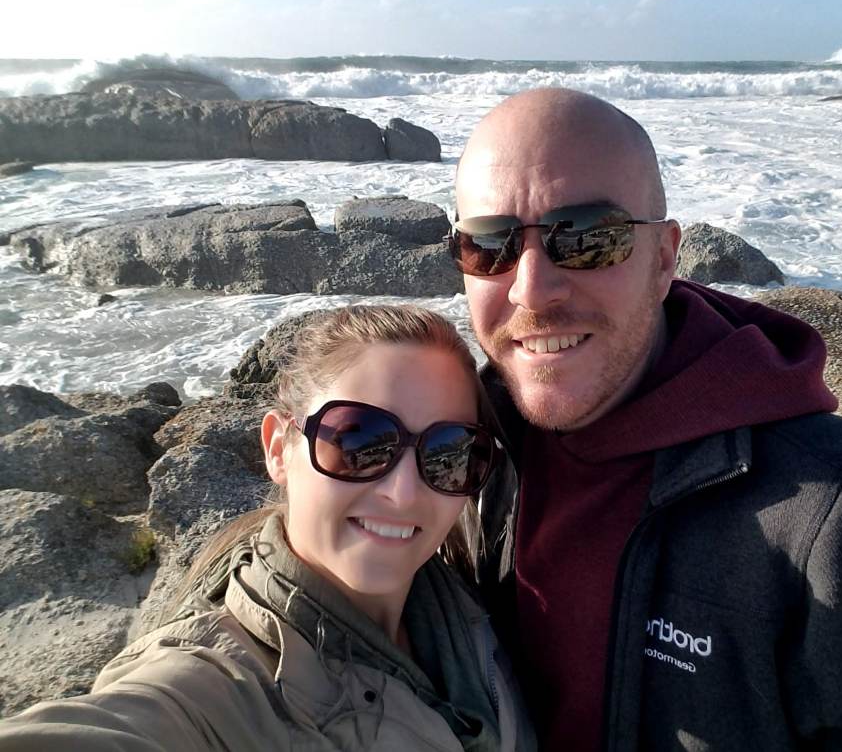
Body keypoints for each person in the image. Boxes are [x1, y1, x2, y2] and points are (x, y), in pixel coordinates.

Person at [449, 87, 842, 751]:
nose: (531, 288)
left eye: (586, 239)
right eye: (488, 244)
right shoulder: (457, 453)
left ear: (664, 258)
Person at [0, 305, 535, 752]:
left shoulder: (471, 609)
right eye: (359, 442)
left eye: (448, 454)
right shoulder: (214, 688)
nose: (404, 492)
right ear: (279, 448)